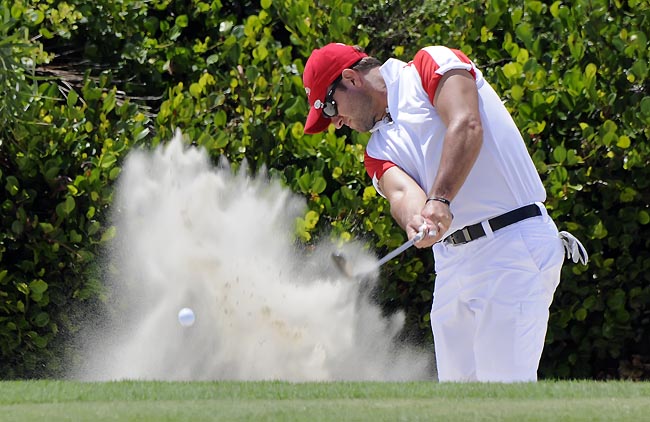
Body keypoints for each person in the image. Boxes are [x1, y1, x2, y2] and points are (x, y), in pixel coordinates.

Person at [302, 43, 587, 382]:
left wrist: (439, 200)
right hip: (452, 263)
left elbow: (466, 124)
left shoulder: (429, 66)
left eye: (330, 107)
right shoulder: (376, 151)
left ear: (351, 78)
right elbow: (403, 193)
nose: (334, 122)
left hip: (511, 242)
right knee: (458, 401)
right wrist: (417, 220)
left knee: (504, 396)